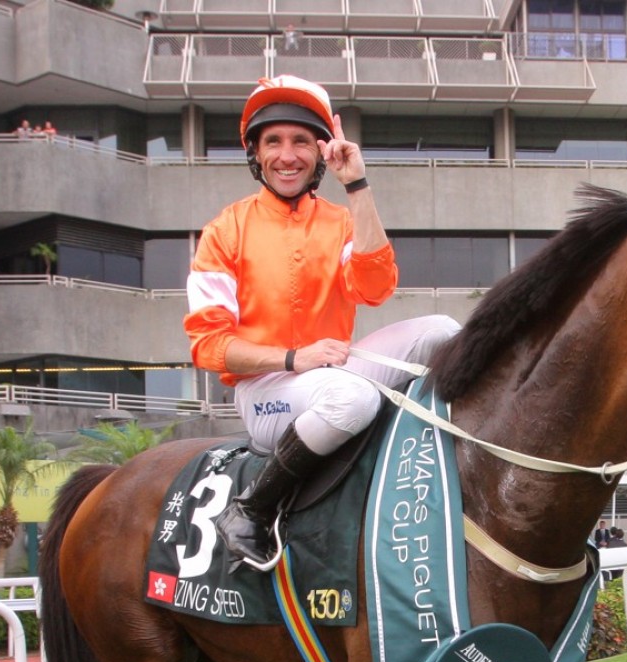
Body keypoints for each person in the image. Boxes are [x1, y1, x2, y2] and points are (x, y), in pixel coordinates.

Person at [184, 75, 460, 571]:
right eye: (274, 142)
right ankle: (251, 509)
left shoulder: (340, 219)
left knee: (444, 329)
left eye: (300, 142)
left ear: (319, 153)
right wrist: (293, 358)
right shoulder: (225, 231)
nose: (287, 155)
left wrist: (356, 184)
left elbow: (376, 287)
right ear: (256, 153)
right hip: (267, 389)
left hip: (333, 369)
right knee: (353, 398)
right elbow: (208, 346)